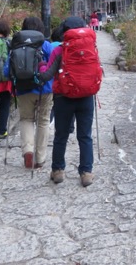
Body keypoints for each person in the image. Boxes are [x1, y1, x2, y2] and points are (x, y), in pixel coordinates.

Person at [38, 16, 102, 187]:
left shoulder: (60, 50)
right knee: (85, 136)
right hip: (87, 97)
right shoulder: (92, 47)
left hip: (63, 98)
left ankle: (58, 171)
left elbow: (46, 76)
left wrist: (42, 65)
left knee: (61, 135)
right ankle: (86, 172)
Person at [13, 16, 54, 170]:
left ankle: (28, 151)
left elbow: (6, 70)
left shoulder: (16, 45)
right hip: (44, 88)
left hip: (23, 88)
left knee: (26, 119)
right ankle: (40, 158)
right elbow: (55, 65)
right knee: (43, 121)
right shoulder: (47, 46)